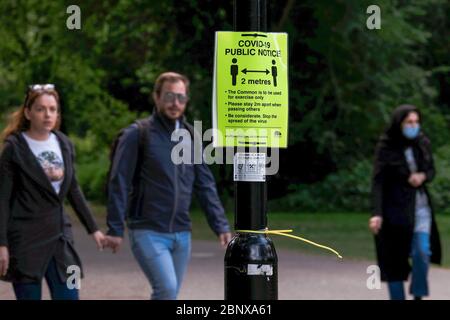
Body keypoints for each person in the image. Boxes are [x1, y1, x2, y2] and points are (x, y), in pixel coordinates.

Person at [105, 72, 232, 300]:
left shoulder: (191, 136)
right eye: (169, 96)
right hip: (147, 230)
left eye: (181, 98)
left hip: (182, 233)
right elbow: (119, 182)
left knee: (169, 294)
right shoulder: (138, 134)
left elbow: (204, 184)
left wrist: (220, 224)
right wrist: (115, 228)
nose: (175, 103)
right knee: (166, 289)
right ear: (156, 97)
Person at [0, 84, 105, 300]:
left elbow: (73, 189)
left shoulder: (64, 143)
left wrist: (93, 228)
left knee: (71, 295)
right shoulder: (13, 148)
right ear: (28, 113)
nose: (48, 114)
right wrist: (2, 244)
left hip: (62, 239)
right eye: (40, 109)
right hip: (25, 242)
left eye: (53, 109)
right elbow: (2, 199)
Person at [369, 104, 442, 300]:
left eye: (416, 122)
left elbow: (431, 170)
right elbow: (378, 181)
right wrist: (376, 213)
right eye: (409, 122)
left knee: (422, 251)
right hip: (394, 210)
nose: (414, 125)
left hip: (420, 208)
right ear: (399, 123)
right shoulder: (386, 147)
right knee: (393, 261)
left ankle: (418, 293)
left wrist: (422, 176)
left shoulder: (422, 142)